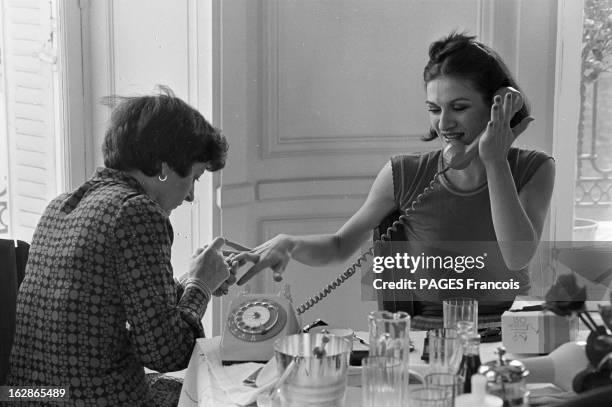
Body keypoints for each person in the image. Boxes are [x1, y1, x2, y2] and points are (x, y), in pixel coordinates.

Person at [235, 32, 555, 327]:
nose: (444, 123)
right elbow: (340, 245)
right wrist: (289, 243)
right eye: (434, 108)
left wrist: (495, 161)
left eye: (459, 107)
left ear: (498, 106)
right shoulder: (404, 175)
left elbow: (516, 257)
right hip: (427, 341)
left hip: (508, 336)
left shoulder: (535, 168)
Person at [7, 87, 238, 406]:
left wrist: (195, 279)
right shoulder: (136, 212)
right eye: (194, 178)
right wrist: (200, 286)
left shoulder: (60, 206)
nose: (190, 197)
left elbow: (119, 300)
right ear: (163, 167)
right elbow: (169, 352)